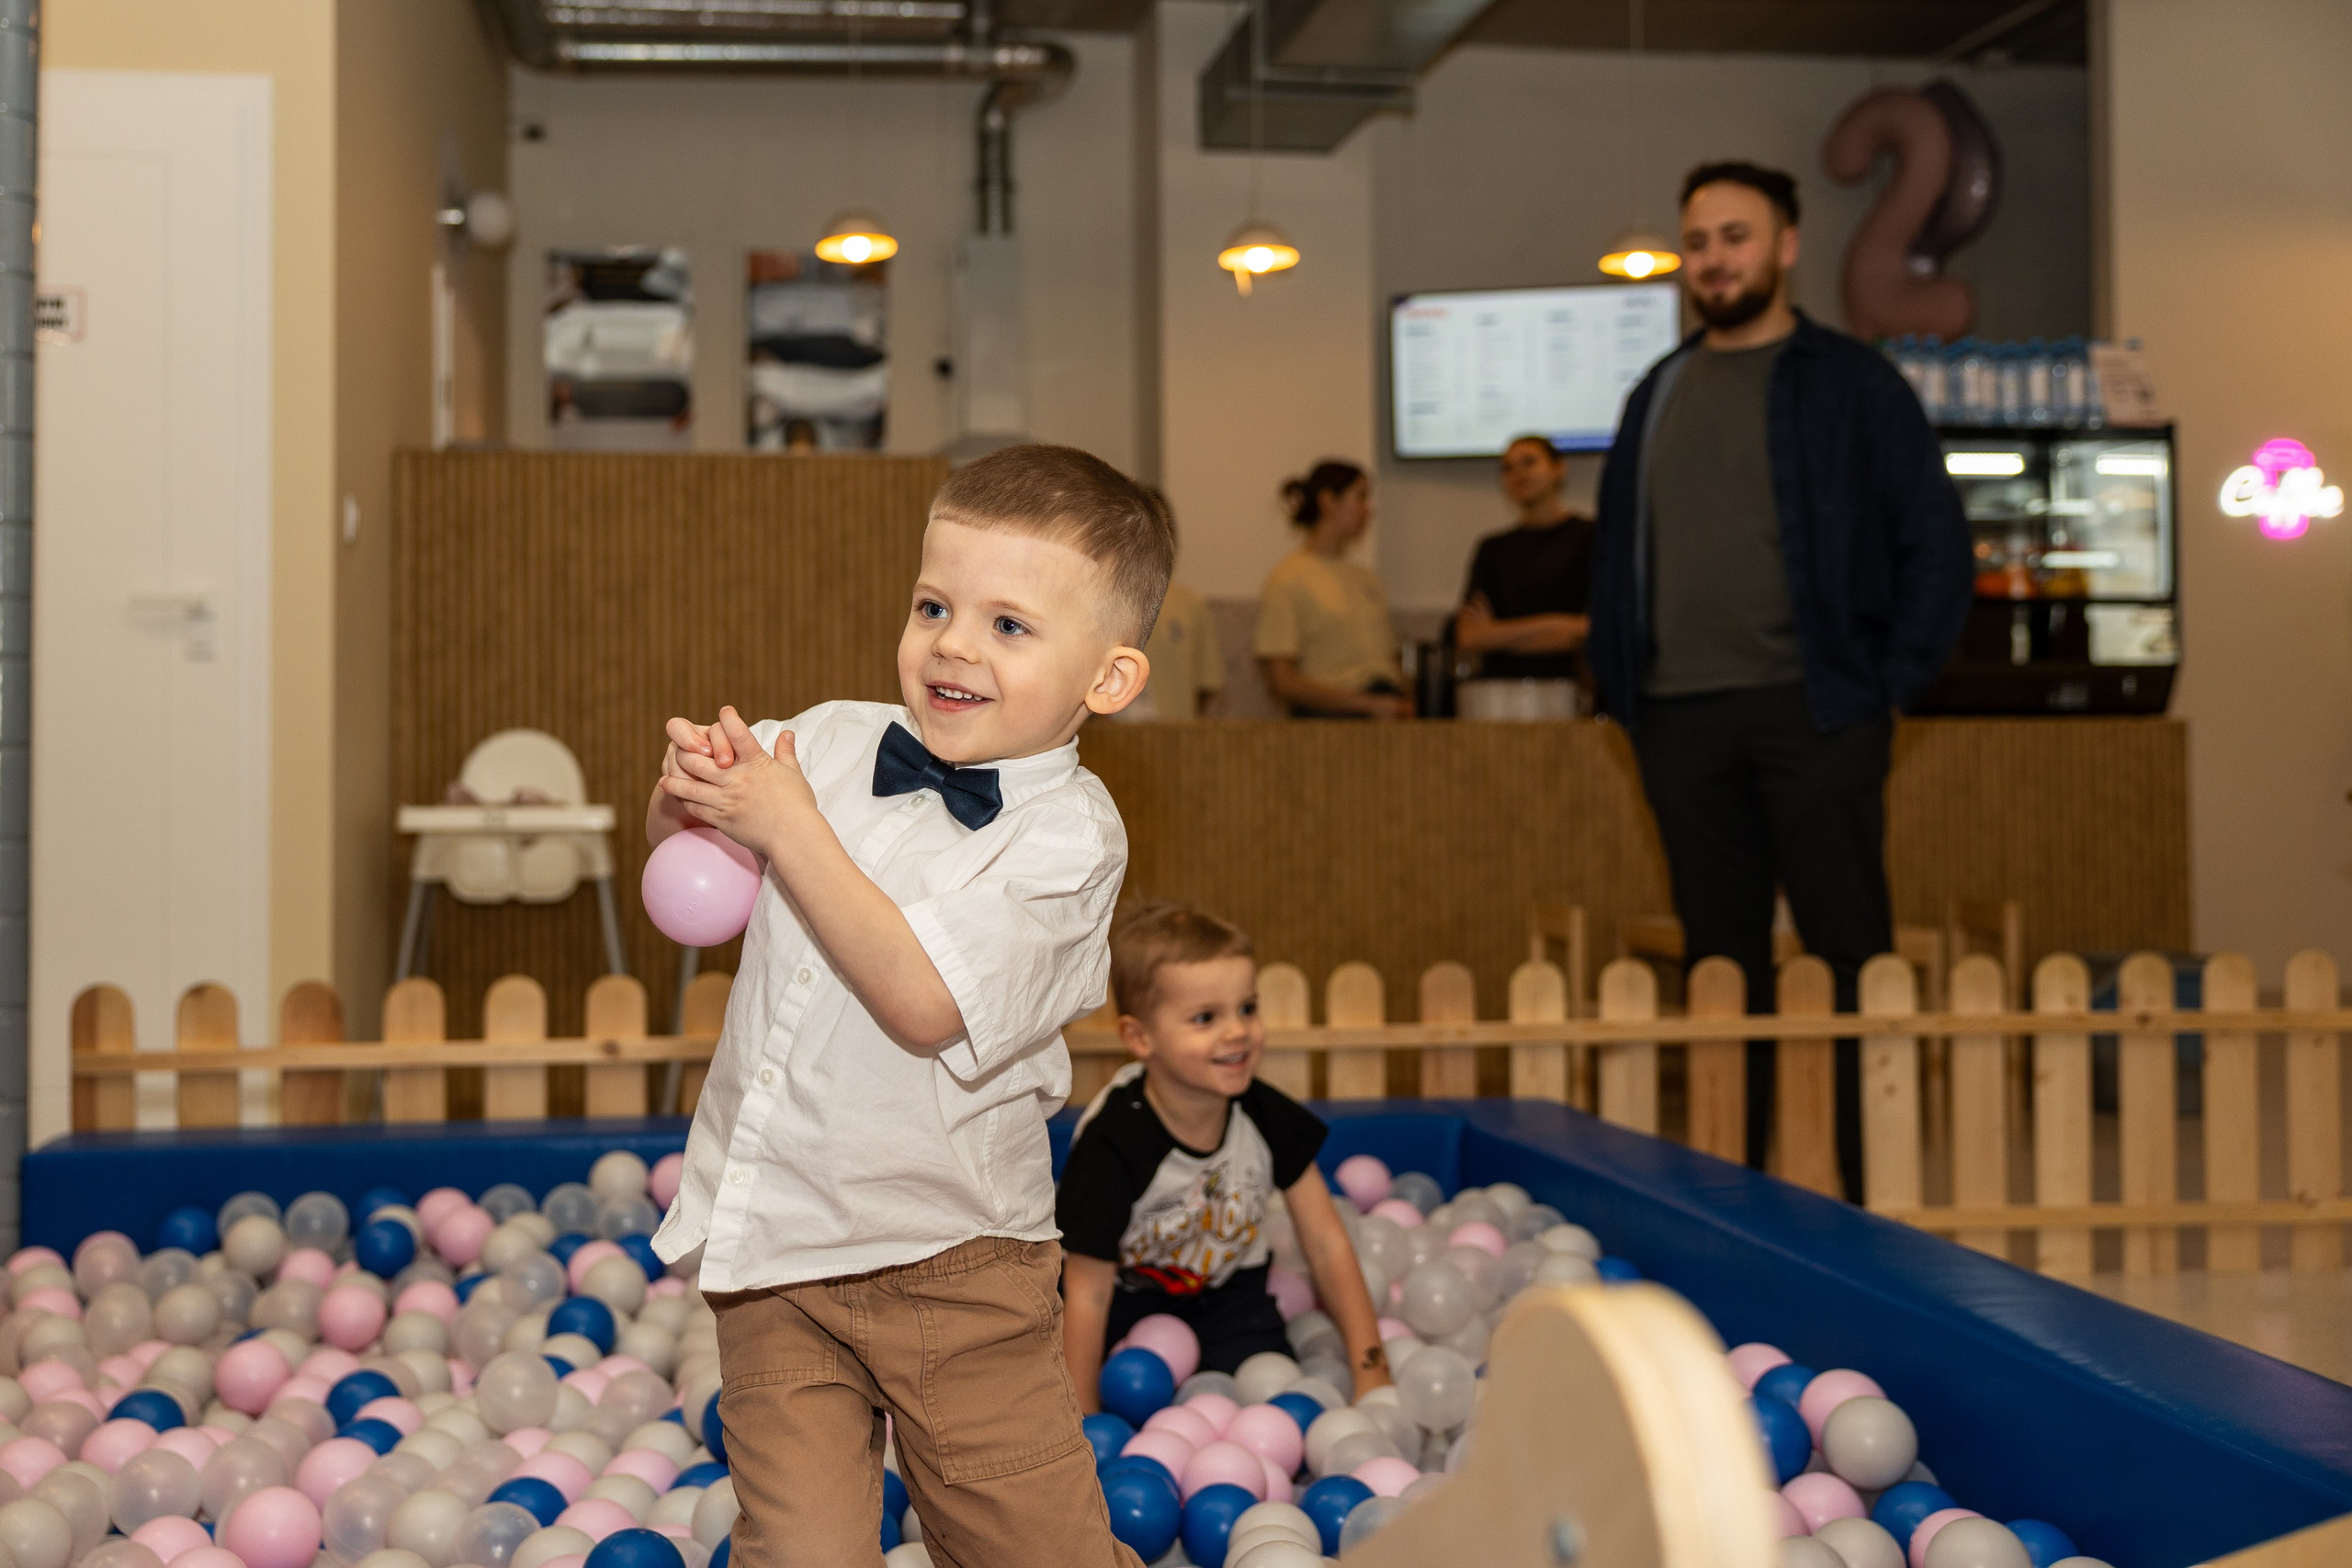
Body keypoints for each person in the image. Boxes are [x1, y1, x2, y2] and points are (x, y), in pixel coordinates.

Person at [646, 444, 1171, 1568]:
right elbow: (686, 862)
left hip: (955, 1266)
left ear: (1109, 680)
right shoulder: (830, 741)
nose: (953, 644)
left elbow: (924, 1002)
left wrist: (790, 827)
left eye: (1008, 625)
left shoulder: (1068, 840)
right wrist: (690, 795)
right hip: (778, 1253)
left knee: (1033, 1552)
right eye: (934, 606)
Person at [1588, 162, 1973, 1200]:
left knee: (1847, 957)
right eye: (1697, 242)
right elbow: (1618, 551)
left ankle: (1862, 1194)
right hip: (1676, 720)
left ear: (1786, 246)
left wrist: (1885, 687)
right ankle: (1736, 1194)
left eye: (1735, 236)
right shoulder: (1657, 390)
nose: (1713, 259)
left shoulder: (1855, 384)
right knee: (1722, 965)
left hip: (1820, 712)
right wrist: (1622, 690)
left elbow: (1937, 546)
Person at [1057, 902, 1390, 1404]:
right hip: (1130, 1298)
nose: (1237, 1031)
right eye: (1205, 1018)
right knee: (1125, 1389)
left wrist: (1372, 1369)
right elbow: (1088, 1291)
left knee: (1270, 1393)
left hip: (1230, 1291)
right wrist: (1081, 1418)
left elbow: (1326, 1243)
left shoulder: (1265, 1116)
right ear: (1140, 1038)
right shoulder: (1113, 1143)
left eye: (1247, 1008)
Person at [1254, 461, 1411, 719]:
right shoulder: (1289, 579)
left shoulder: (1366, 578)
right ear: (1328, 501)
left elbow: (1390, 660)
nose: (1368, 509)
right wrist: (1365, 704)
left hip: (1385, 710)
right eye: (1360, 497)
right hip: (1330, 722)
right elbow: (1282, 680)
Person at [1453, 434, 1596, 684]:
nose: (1518, 474)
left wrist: (1498, 636)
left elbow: (1592, 630)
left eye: (1529, 462)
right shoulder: (1492, 548)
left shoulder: (1592, 537)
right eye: (1508, 468)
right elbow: (1470, 636)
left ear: (1559, 469)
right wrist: (1558, 626)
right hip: (1499, 691)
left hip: (1570, 688)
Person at [1109, 490, 1224, 721]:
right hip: (1113, 733)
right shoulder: (1101, 600)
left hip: (1175, 731)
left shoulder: (1190, 604)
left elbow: (1206, 686)